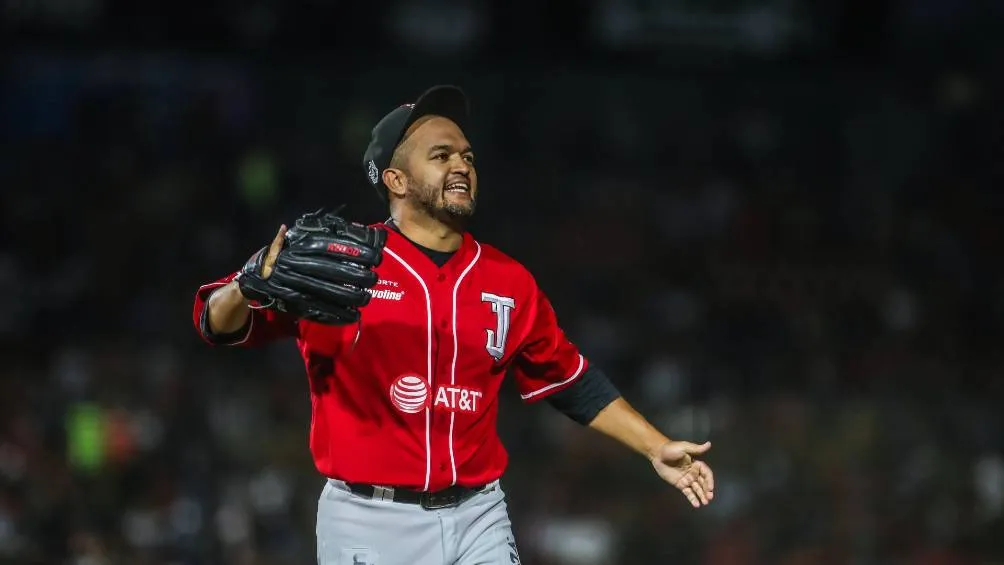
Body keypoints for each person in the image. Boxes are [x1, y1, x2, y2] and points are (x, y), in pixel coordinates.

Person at [192, 85, 715, 565]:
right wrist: (246, 286)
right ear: (396, 179)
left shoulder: (507, 279)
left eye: (467, 156)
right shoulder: (341, 261)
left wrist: (655, 445)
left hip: (478, 514)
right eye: (440, 156)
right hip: (369, 518)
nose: (461, 164)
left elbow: (569, 379)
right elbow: (214, 322)